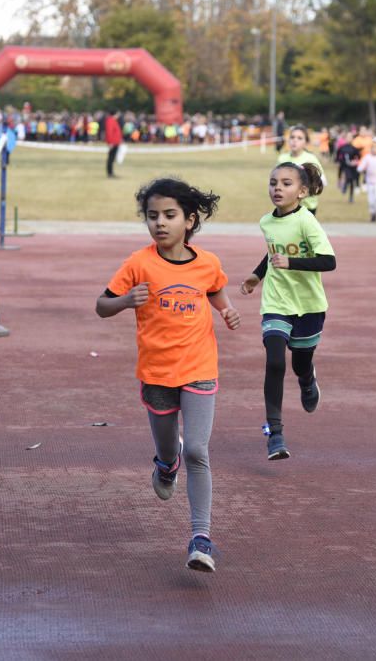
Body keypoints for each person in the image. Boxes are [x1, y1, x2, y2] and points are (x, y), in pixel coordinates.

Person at [95, 177, 240, 572]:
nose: (160, 223)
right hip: (157, 373)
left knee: (197, 449)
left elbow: (213, 288)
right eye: (152, 216)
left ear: (189, 221)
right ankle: (164, 463)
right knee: (170, 449)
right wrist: (126, 301)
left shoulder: (208, 262)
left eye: (169, 215)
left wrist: (226, 310)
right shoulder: (139, 263)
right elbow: (101, 305)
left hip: (200, 368)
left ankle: (202, 538)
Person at [240, 162, 335, 460]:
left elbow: (328, 261)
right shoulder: (266, 222)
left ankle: (307, 379)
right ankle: (275, 434)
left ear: (302, 191)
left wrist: (291, 263)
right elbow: (273, 252)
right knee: (276, 362)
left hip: (309, 307)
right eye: (273, 182)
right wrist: (258, 275)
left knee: (299, 364)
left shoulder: (307, 222)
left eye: (286, 183)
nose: (277, 188)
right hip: (276, 303)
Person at [277, 124, 327, 215]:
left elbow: (322, 182)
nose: (295, 140)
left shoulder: (311, 159)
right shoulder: (282, 159)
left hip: (307, 207)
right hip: (287, 206)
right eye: (292, 137)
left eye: (299, 138)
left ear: (306, 142)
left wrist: (305, 192)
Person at [105, 111, 122, 178]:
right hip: (113, 143)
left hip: (115, 142)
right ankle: (110, 173)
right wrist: (110, 142)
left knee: (112, 158)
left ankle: (111, 173)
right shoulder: (111, 121)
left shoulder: (113, 120)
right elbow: (109, 132)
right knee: (111, 158)